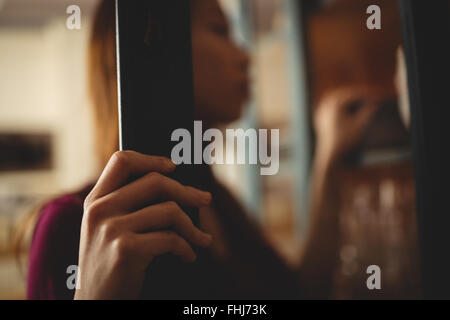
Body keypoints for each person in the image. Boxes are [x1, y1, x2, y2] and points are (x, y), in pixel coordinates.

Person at [25, 0, 382, 300]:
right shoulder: (69, 224)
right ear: (151, 47)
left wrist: (329, 162)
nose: (244, 57)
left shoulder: (218, 203)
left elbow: (300, 292)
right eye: (219, 31)